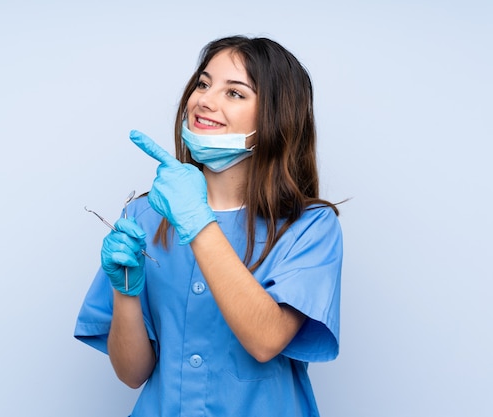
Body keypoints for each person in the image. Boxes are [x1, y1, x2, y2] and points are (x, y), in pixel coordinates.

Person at [75, 35, 343, 417]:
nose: (205, 100)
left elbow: (266, 340)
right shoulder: (144, 217)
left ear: (276, 116)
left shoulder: (310, 227)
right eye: (203, 83)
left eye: (235, 93)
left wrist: (197, 221)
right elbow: (132, 373)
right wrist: (126, 295)